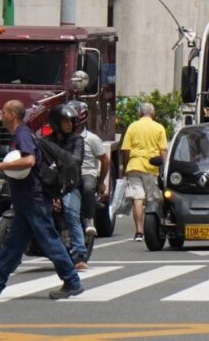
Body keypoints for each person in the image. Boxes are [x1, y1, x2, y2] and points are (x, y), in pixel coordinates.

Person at [0, 100, 83, 300]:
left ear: (12, 115)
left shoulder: (23, 134)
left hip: (35, 200)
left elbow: (29, 160)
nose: (2, 115)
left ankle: (72, 281)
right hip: (25, 201)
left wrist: (1, 167)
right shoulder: (20, 134)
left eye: (4, 112)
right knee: (13, 245)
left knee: (50, 242)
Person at [47, 103, 90, 268]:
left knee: (71, 213)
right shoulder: (46, 141)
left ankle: (79, 254)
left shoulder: (77, 140)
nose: (69, 124)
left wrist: (57, 161)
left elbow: (76, 160)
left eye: (71, 121)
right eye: (65, 121)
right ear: (56, 123)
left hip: (69, 184)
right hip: (50, 184)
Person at [119, 102, 168, 242]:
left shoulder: (132, 127)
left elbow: (126, 149)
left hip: (134, 165)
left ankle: (139, 232)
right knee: (153, 198)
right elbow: (163, 150)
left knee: (137, 198)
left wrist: (125, 166)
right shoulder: (159, 128)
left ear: (139, 113)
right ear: (153, 114)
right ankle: (153, 227)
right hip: (151, 167)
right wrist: (165, 167)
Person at [68, 101, 111, 239]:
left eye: (72, 120)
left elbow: (105, 160)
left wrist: (101, 182)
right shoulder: (61, 138)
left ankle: (89, 220)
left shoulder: (92, 139)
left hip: (87, 173)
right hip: (67, 174)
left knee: (87, 188)